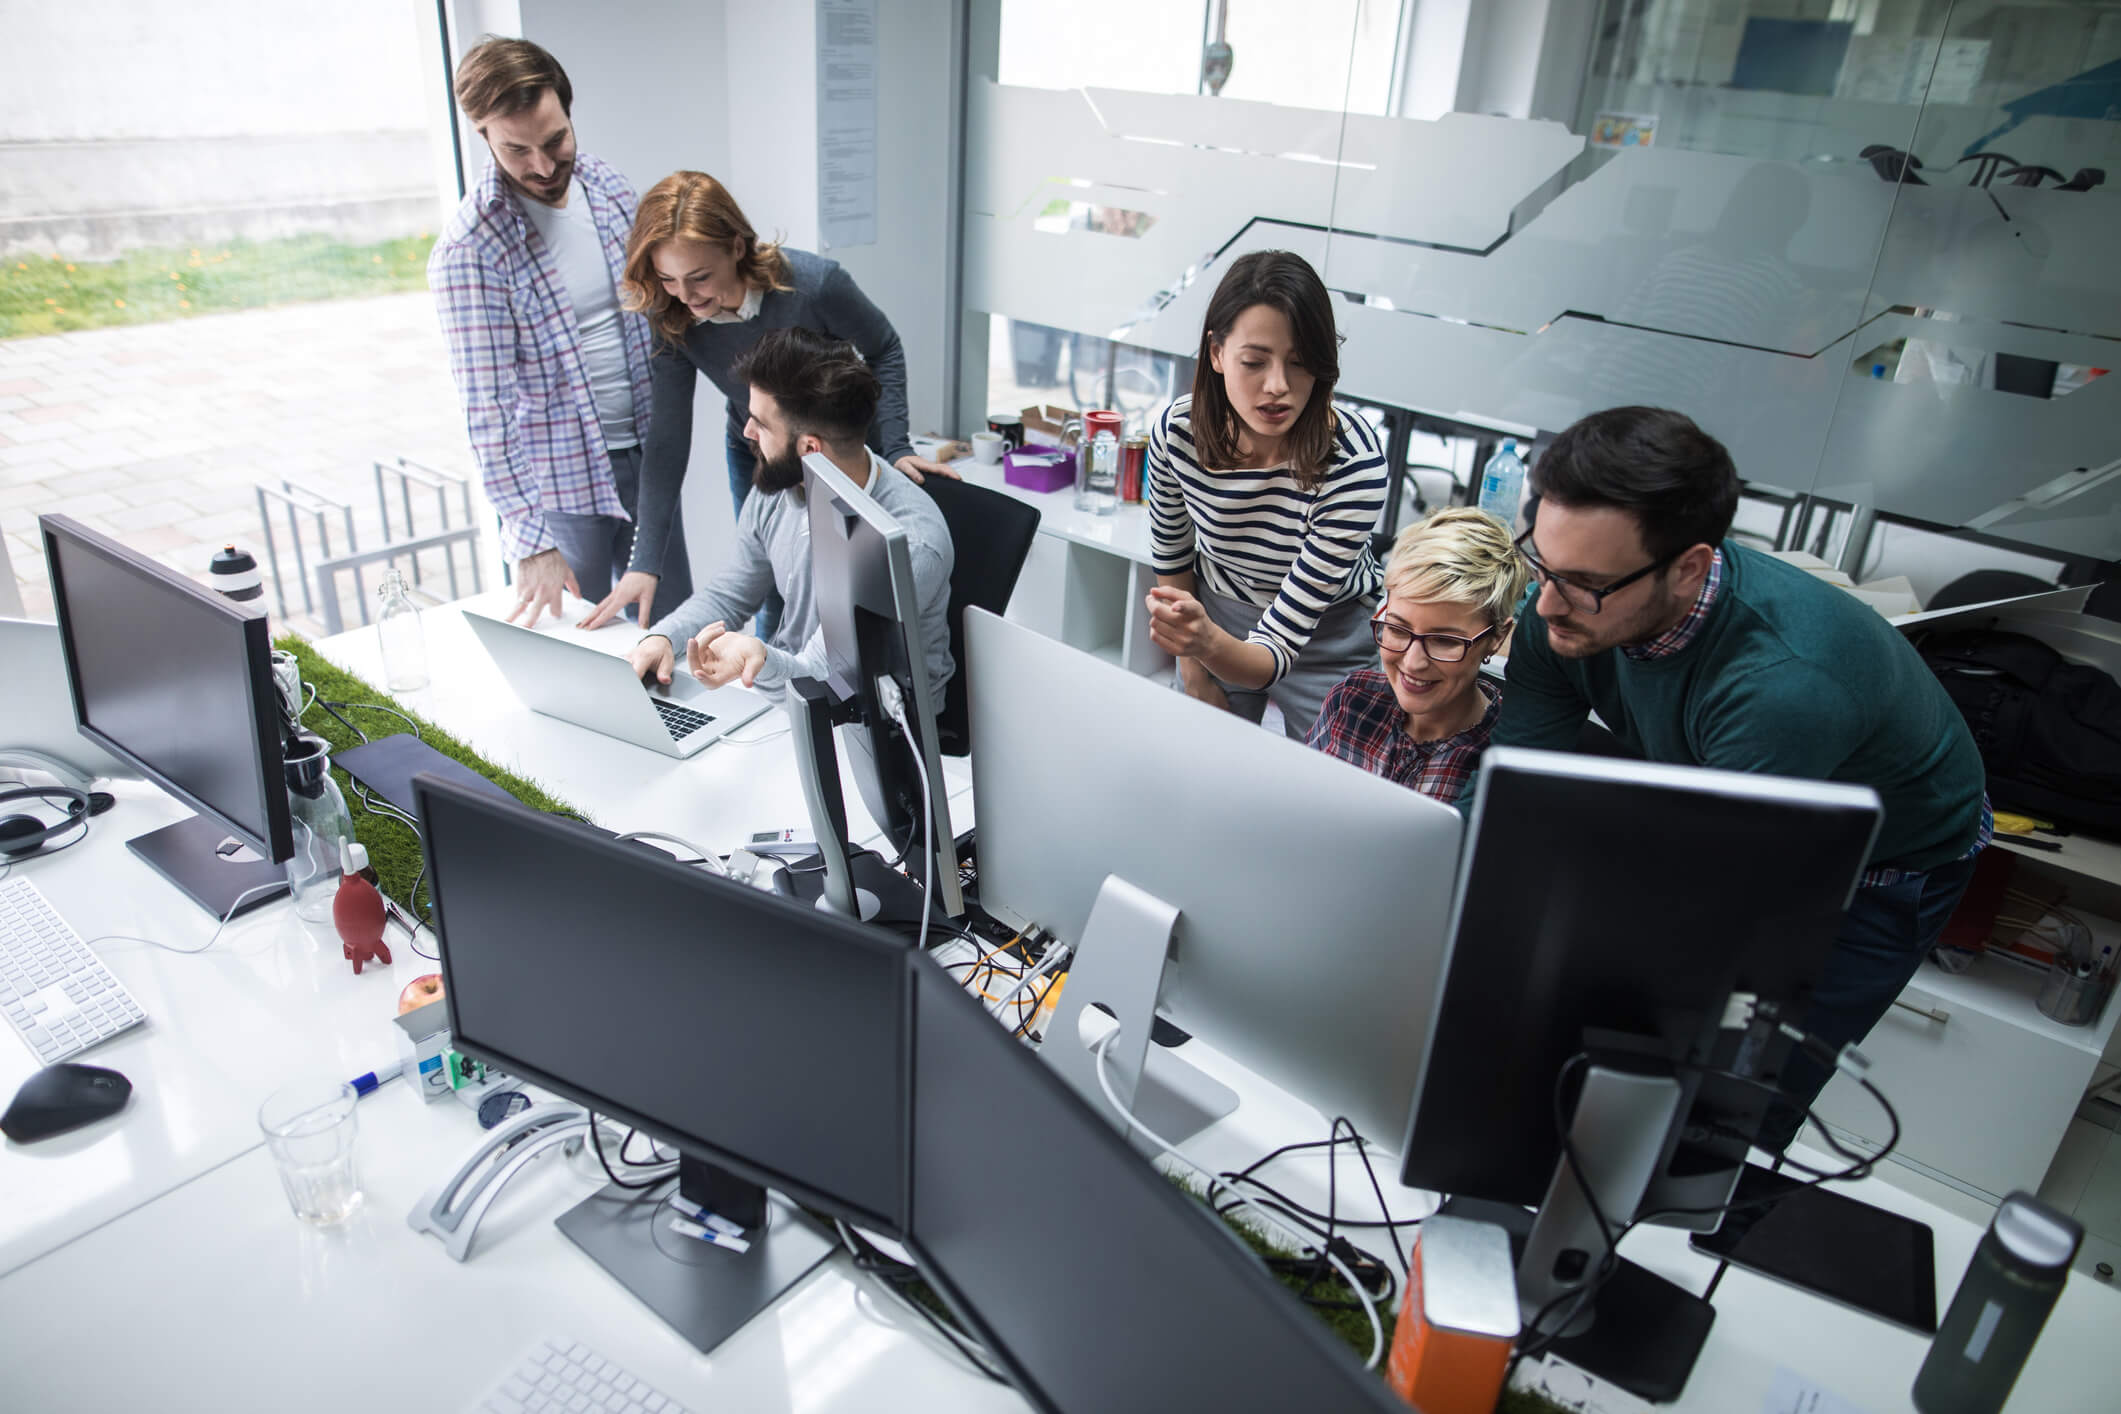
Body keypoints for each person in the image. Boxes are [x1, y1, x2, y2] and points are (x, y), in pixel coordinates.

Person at [1471, 405, 1989, 1149]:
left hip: (1890, 862)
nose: (1545, 602)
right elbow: (1516, 788)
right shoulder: (1566, 607)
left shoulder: (1781, 688)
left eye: (1584, 583)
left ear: (1688, 567)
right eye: (1541, 563)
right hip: (1729, 791)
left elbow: (1708, 912)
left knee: (1734, 1101)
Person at [581, 170, 956, 634]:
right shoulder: (672, 313)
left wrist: (896, 446)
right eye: (667, 279)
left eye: (699, 277)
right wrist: (645, 561)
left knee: (847, 592)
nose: (685, 296)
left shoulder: (816, 285)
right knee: (775, 583)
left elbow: (884, 348)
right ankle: (775, 671)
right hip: (759, 447)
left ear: (737, 247)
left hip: (833, 448)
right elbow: (667, 438)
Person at [427, 38, 691, 629]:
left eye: (554, 141)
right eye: (517, 150)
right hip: (563, 491)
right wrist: (530, 539)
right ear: (483, 136)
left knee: (673, 633)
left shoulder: (609, 187)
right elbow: (486, 408)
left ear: (569, 114)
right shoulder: (470, 251)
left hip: (647, 462)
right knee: (579, 650)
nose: (543, 167)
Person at [625, 328, 954, 707]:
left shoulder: (908, 544)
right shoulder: (785, 484)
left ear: (809, 448)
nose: (747, 431)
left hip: (868, 720)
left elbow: (829, 678)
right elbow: (729, 595)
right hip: (793, 694)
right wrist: (662, 638)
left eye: (761, 424)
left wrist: (759, 659)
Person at [1143, 250, 1389, 739]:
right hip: (1219, 609)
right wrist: (1194, 667)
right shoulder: (1178, 432)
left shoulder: (1353, 463)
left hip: (1327, 633)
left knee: (1327, 779)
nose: (1278, 386)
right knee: (1199, 761)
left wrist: (1204, 646)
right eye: (1254, 362)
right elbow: (1172, 554)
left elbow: (1277, 649)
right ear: (1216, 353)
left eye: (1300, 363)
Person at [1306, 508, 1526, 802]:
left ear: (1496, 637)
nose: (1413, 662)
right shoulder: (1350, 701)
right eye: (1397, 629)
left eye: (1444, 641)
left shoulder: (1505, 757)